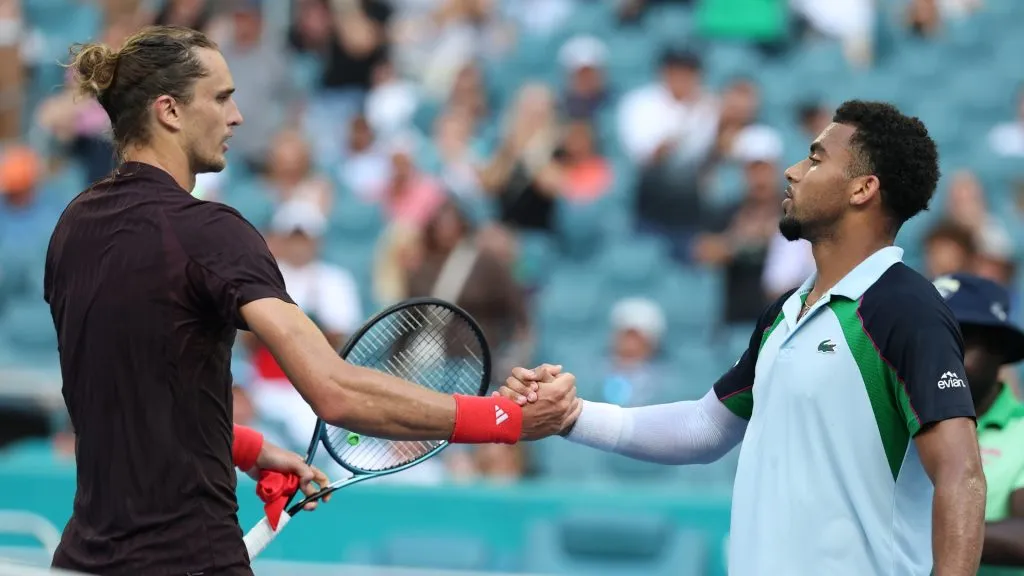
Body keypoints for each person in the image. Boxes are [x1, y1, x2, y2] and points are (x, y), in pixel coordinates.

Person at [44, 26, 580, 576]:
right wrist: (503, 418)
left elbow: (125, 398)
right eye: (222, 97)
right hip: (187, 559)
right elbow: (335, 390)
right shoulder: (210, 232)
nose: (237, 117)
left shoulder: (73, 227)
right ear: (170, 111)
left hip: (81, 561)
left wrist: (245, 448)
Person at [502, 100, 987, 575]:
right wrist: (572, 416)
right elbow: (703, 428)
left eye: (816, 158)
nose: (792, 171)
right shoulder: (785, 313)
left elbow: (960, 475)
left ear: (862, 188)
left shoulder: (907, 308)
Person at [934, 273, 1024, 574]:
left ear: (997, 348)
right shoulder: (896, 422)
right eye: (933, 343)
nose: (941, 360)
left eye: (960, 342)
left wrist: (918, 527)